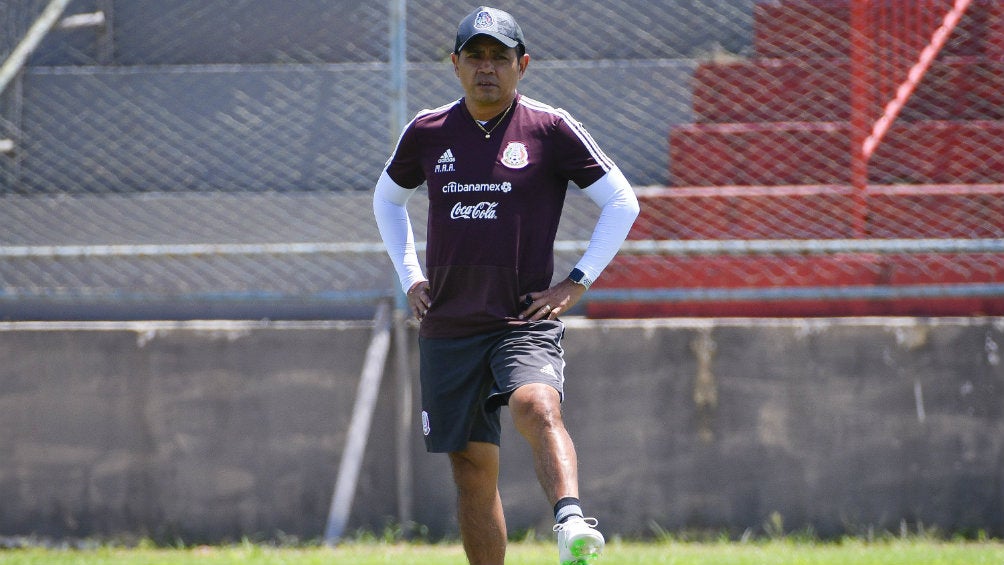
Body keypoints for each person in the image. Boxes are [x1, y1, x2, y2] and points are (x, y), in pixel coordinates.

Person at [373, 6, 639, 564]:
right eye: (475, 56)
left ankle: (569, 523)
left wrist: (576, 281)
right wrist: (411, 276)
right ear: (455, 64)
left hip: (522, 317)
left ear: (523, 65)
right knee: (472, 473)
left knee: (537, 405)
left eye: (499, 57)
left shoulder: (549, 128)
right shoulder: (426, 130)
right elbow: (387, 198)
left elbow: (621, 201)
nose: (486, 68)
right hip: (448, 325)